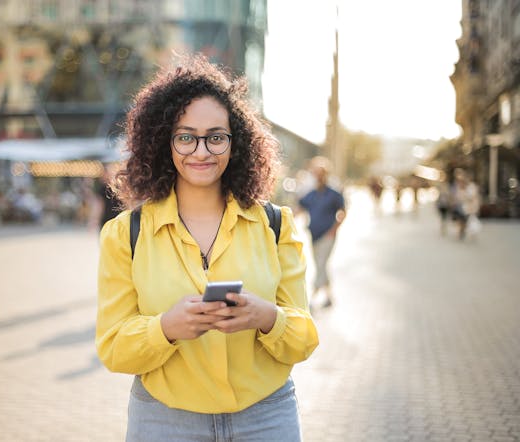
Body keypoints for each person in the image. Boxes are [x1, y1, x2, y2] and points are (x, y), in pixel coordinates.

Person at [95, 54, 319, 442]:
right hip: (163, 420)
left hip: (266, 416)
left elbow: (303, 337)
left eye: (216, 136)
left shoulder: (275, 224)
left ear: (236, 144)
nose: (201, 151)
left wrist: (267, 317)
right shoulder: (124, 234)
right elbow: (113, 348)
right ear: (163, 142)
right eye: (186, 137)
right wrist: (165, 328)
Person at [298, 157, 345, 308]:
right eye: (315, 173)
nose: (318, 176)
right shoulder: (311, 194)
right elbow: (298, 209)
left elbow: (343, 212)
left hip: (328, 236)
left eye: (321, 173)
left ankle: (312, 297)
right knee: (321, 266)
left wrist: (334, 230)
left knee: (321, 264)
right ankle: (329, 297)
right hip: (314, 236)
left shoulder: (334, 193)